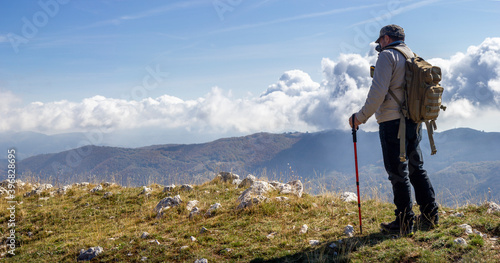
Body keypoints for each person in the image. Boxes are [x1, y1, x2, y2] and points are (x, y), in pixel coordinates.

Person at [349, 24, 439, 236]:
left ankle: (404, 221)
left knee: (397, 172)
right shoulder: (411, 55)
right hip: (414, 119)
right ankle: (430, 215)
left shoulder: (387, 56)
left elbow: (377, 92)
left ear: (386, 39)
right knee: (416, 168)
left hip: (392, 121)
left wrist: (359, 118)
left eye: (379, 41)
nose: (378, 45)